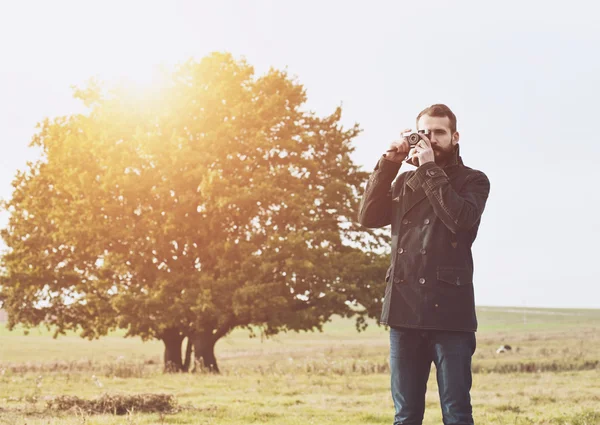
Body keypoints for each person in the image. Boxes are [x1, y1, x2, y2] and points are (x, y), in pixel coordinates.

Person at [358, 104, 490, 425]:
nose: (431, 139)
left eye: (439, 133)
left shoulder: (474, 180)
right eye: (425, 133)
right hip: (404, 313)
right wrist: (388, 163)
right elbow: (368, 217)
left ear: (455, 136)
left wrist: (429, 167)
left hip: (450, 315)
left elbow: (459, 220)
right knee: (405, 416)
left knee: (457, 413)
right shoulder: (404, 182)